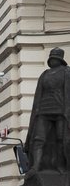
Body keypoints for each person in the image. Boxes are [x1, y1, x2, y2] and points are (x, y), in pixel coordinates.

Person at [25, 47, 70, 175]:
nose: (53, 60)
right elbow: (38, 95)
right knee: (38, 139)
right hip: (43, 111)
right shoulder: (44, 74)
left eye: (55, 58)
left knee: (62, 139)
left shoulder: (67, 72)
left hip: (61, 111)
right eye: (52, 58)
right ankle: (36, 166)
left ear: (60, 60)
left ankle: (61, 166)